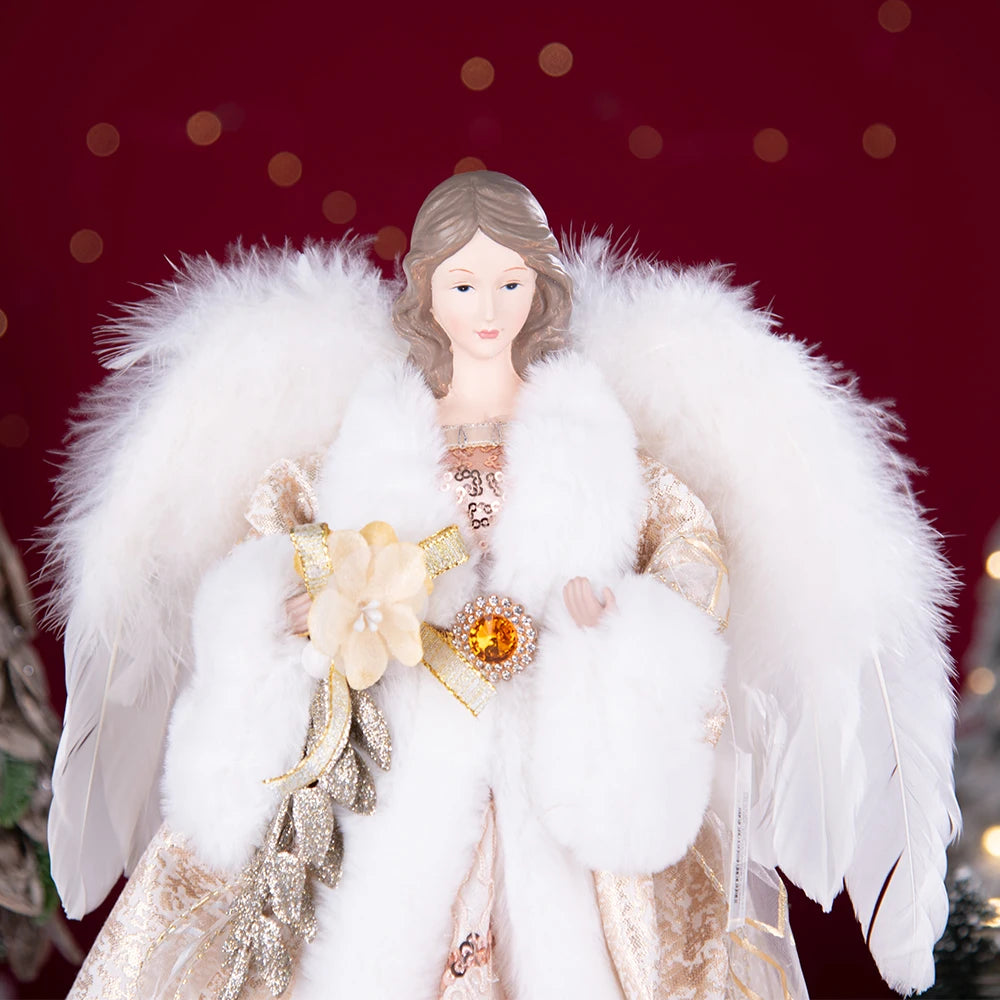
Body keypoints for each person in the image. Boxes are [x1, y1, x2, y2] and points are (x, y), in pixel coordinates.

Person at [52, 171, 956, 999]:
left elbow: (688, 547)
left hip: (555, 744)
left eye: (509, 284)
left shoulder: (593, 438)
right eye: (463, 286)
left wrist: (623, 620)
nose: (488, 310)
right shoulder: (375, 434)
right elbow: (287, 530)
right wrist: (293, 603)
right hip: (401, 737)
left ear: (539, 287)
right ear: (427, 291)